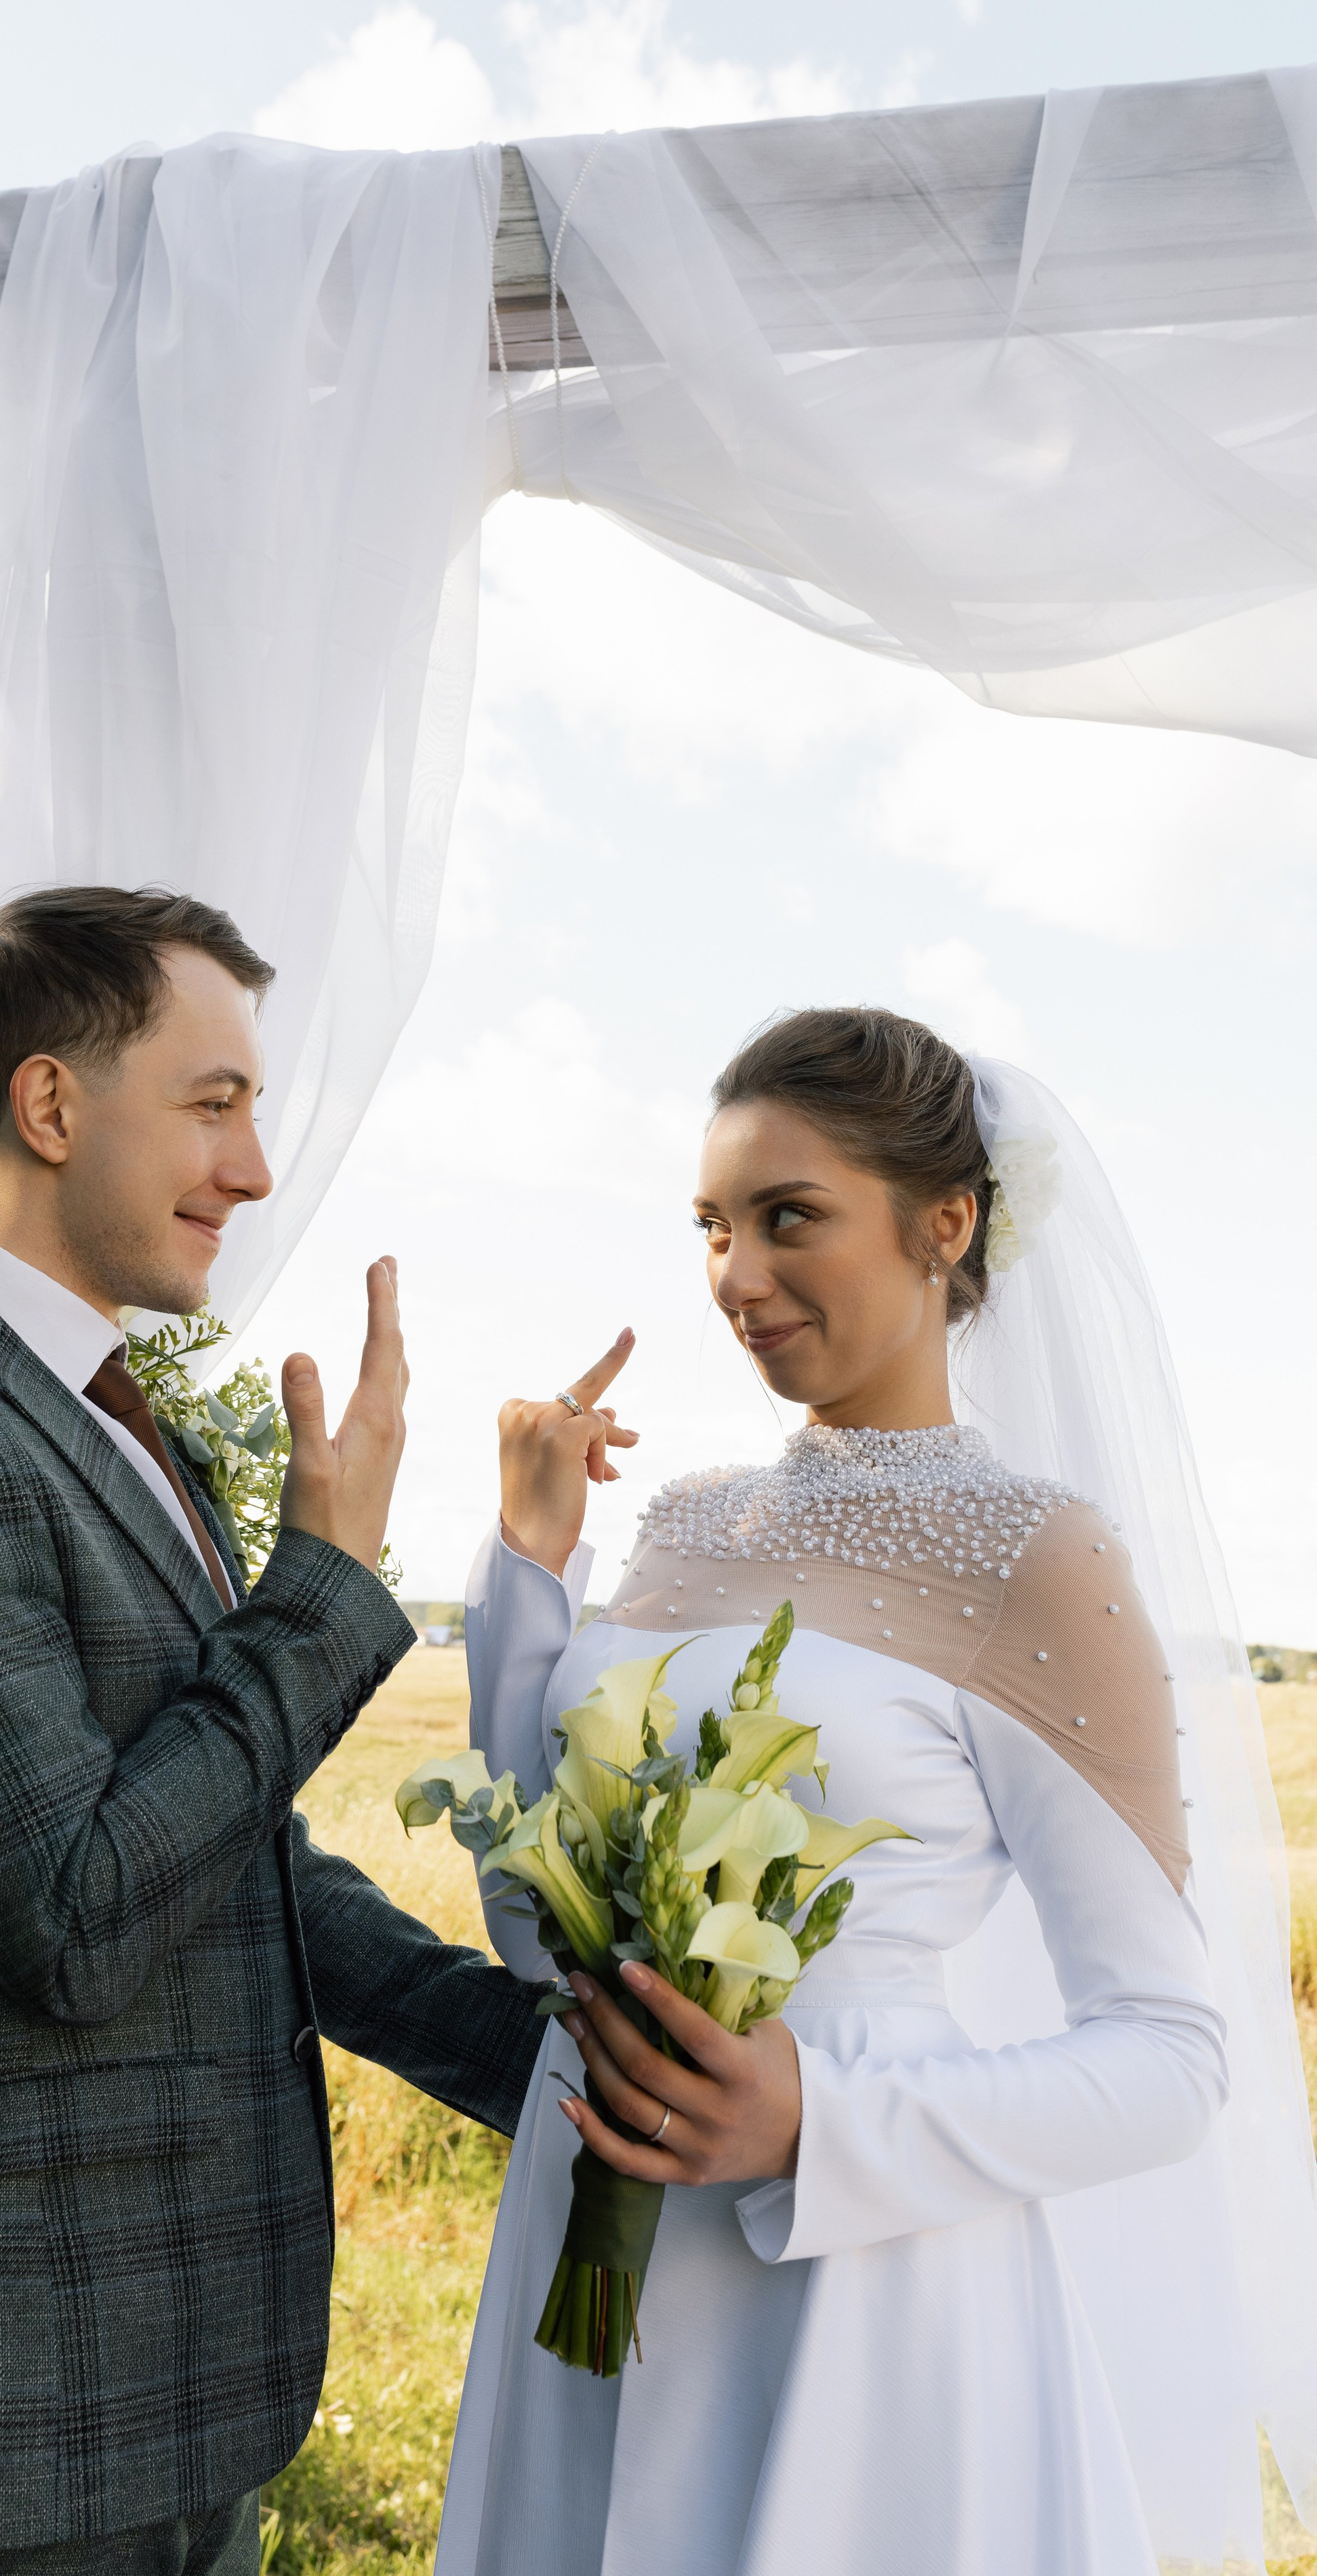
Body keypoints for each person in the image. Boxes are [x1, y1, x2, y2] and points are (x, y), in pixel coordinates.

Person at [0, 885, 544, 2576]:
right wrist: (321, 1587)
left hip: (158, 2408)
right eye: (215, 1103)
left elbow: (219, 1856)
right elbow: (83, 1913)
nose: (250, 1170)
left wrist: (552, 2072)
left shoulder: (91, 1414)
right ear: (48, 1104)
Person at [437, 1007, 1317, 2576]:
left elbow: (1171, 2057)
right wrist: (529, 1569)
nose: (733, 1277)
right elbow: (535, 1918)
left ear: (946, 1222)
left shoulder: (1037, 1557)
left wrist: (814, 2123)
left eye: (789, 1218)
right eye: (710, 1226)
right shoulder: (685, 1521)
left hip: (858, 2299)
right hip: (582, 2243)